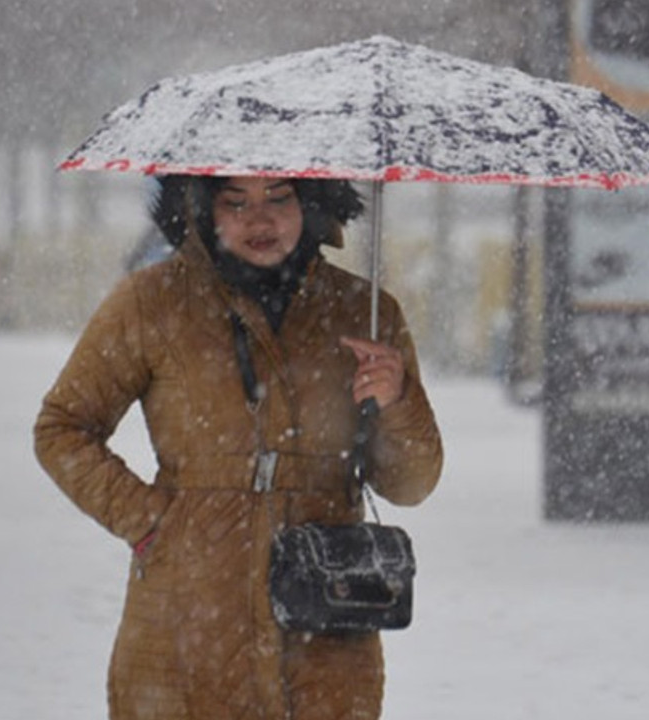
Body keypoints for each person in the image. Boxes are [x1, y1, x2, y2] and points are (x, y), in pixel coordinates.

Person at [34, 174, 443, 720]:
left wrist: (397, 402)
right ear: (202, 208)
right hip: (187, 616)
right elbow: (63, 427)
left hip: (324, 626)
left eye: (279, 197)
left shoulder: (364, 313)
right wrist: (152, 522)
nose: (260, 219)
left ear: (311, 202)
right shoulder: (151, 302)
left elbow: (411, 484)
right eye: (236, 201)